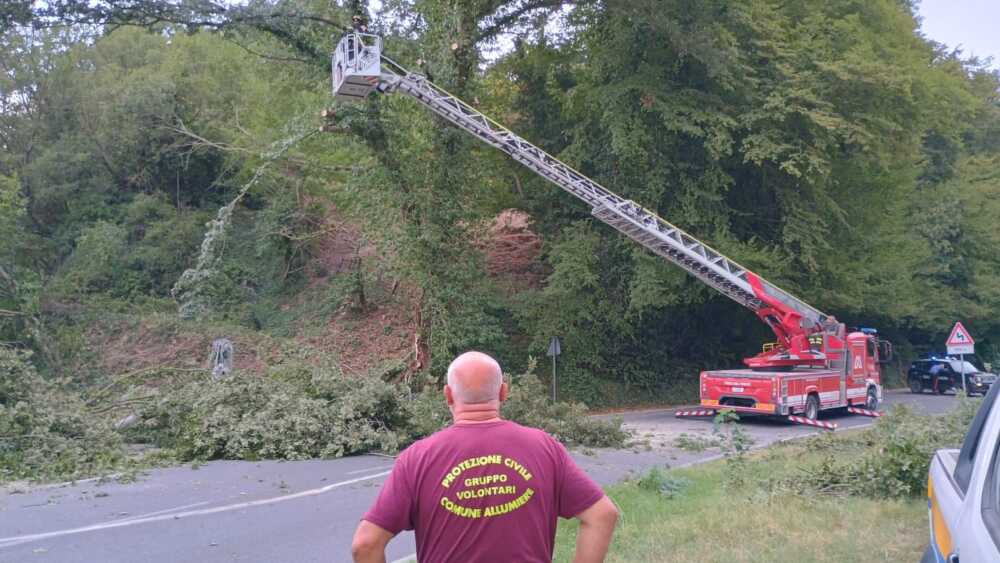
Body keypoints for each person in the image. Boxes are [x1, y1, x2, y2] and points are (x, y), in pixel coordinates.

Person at [351, 351, 618, 563]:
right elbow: (602, 515)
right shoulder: (544, 447)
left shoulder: (416, 459)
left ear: (447, 395)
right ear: (504, 392)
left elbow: (365, 545)